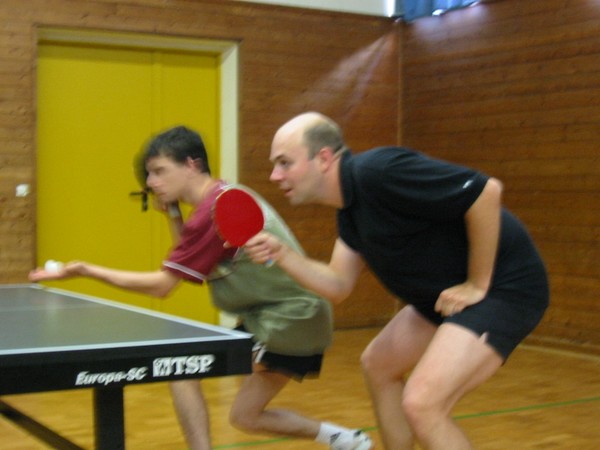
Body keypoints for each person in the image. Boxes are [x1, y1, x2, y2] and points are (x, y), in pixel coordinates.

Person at [29, 126, 373, 450]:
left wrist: (86, 270)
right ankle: (343, 438)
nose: (151, 182)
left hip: (289, 320)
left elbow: (163, 286)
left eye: (159, 171)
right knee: (246, 417)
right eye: (149, 174)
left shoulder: (216, 209)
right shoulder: (221, 199)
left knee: (180, 365)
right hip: (291, 316)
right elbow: (191, 257)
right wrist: (173, 215)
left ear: (192, 164)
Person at [245, 112, 550, 450]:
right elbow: (338, 285)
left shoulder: (379, 172)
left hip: (503, 289)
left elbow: (485, 191)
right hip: (441, 298)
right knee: (378, 364)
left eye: (285, 163)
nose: (275, 175)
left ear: (324, 158)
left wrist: (477, 283)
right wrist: (283, 254)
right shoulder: (349, 212)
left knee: (422, 404)